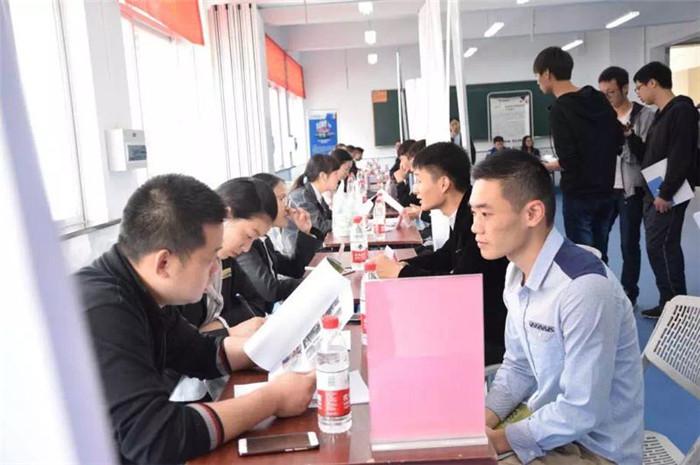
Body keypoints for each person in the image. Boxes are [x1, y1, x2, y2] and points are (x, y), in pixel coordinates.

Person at [77, 174, 316, 465]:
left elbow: (198, 351)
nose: (217, 269)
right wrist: (273, 399)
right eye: (209, 259)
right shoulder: (104, 308)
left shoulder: (144, 291)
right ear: (164, 263)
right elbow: (156, 438)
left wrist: (273, 344)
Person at [470, 151, 643, 465]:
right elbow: (519, 367)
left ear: (533, 213)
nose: (475, 228)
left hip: (596, 451)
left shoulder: (582, 289)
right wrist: (477, 425)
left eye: (486, 214)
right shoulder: (516, 273)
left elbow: (581, 410)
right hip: (551, 429)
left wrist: (500, 440)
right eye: (474, 214)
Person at [373, 142, 508, 365]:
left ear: (444, 183)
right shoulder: (463, 213)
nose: (415, 189)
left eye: (419, 180)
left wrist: (400, 273)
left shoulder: (474, 219)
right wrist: (403, 265)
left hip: (486, 334)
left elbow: (458, 286)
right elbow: (445, 255)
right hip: (469, 320)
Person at [533, 46, 623, 263]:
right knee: (600, 255)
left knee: (583, 258)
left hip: (580, 194)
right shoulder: (598, 98)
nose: (537, 81)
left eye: (537, 75)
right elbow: (618, 140)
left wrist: (547, 166)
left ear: (547, 73)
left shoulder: (560, 109)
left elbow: (569, 160)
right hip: (606, 191)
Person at [633, 61, 699, 318]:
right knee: (659, 246)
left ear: (653, 82)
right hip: (656, 191)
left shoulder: (681, 111)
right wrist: (629, 138)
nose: (638, 93)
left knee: (662, 246)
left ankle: (676, 306)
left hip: (668, 193)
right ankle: (669, 301)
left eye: (639, 87)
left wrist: (666, 192)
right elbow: (653, 154)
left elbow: (681, 156)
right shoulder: (663, 114)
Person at [178, 177, 279, 330]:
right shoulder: (181, 259)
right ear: (226, 215)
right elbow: (173, 338)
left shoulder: (228, 256)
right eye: (249, 236)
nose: (246, 248)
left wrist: (219, 325)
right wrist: (216, 334)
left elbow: (255, 304)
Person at [598, 66, 655, 306]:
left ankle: (629, 292)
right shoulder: (602, 116)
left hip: (632, 189)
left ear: (625, 88)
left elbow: (649, 154)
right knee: (597, 242)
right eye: (603, 93)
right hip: (605, 188)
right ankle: (602, 290)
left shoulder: (645, 115)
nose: (607, 97)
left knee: (629, 244)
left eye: (611, 92)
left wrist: (628, 138)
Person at [236, 173, 323, 314]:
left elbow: (295, 269)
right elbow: (271, 290)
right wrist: (318, 281)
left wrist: (305, 231)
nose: (288, 207)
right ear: (263, 202)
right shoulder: (246, 244)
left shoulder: (264, 239)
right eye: (282, 199)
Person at [287, 154, 341, 239]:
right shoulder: (303, 197)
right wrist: (347, 221)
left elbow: (330, 216)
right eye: (335, 174)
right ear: (323, 176)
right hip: (303, 245)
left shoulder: (316, 194)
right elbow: (320, 227)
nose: (339, 178)